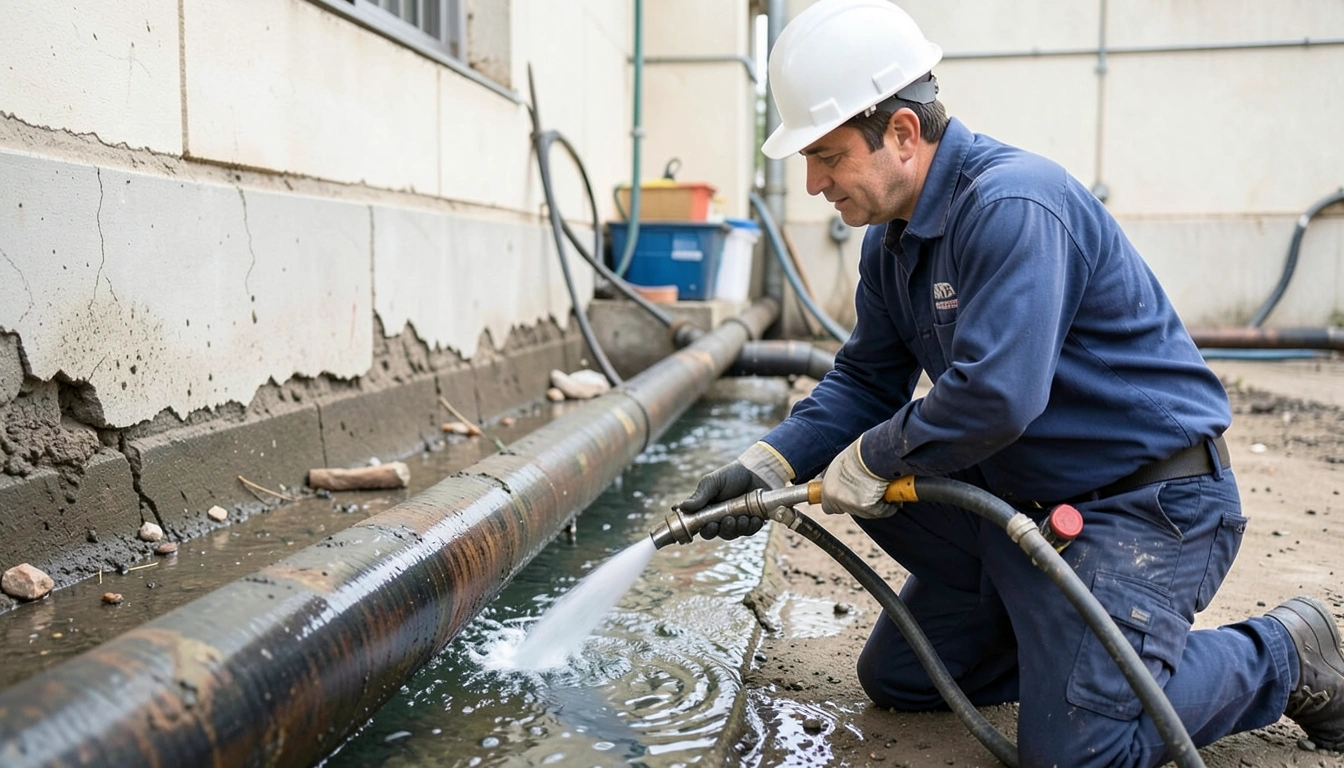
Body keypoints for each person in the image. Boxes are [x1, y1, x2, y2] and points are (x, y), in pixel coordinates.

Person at [677, 1, 1344, 766]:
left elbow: (995, 398)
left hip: (1144, 506)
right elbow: (864, 380)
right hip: (1028, 501)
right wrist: (768, 463)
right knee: (902, 676)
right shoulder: (890, 244)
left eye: (826, 156)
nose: (813, 182)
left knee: (1078, 751)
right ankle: (1069, 651)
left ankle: (1285, 652)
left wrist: (873, 456)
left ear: (903, 133)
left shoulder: (1012, 205)